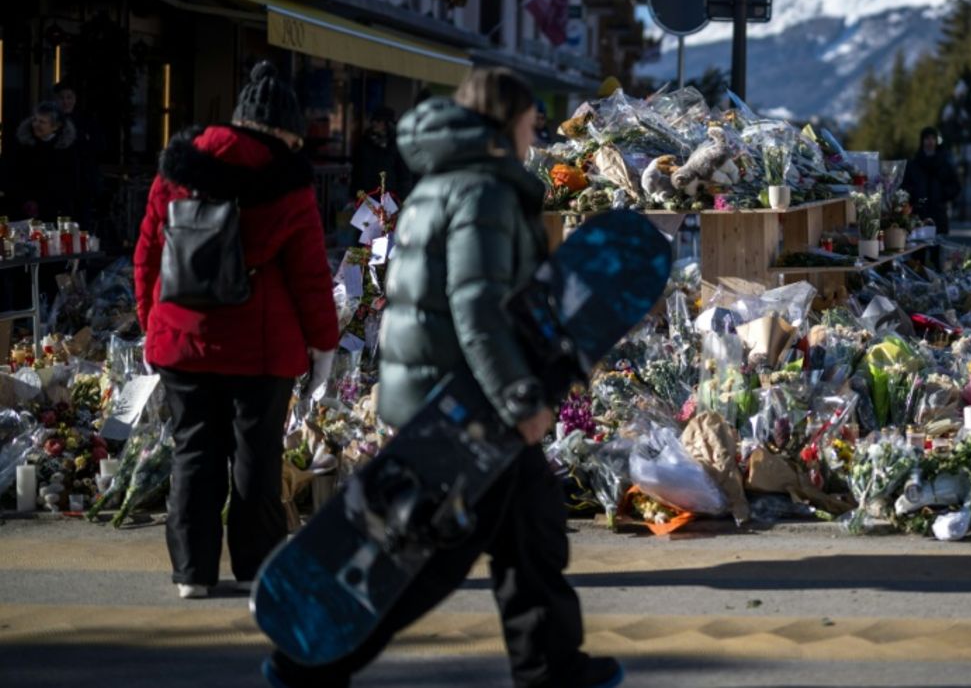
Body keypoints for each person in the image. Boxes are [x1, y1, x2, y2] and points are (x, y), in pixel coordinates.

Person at [263, 68, 622, 688]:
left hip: (453, 393)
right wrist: (518, 396)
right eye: (528, 122)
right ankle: (310, 665)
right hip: (465, 404)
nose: (534, 134)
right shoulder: (482, 191)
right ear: (503, 121)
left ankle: (553, 667)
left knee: (531, 533)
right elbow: (476, 306)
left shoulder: (441, 179)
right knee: (431, 557)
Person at [133, 61, 340, 600]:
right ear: (280, 127)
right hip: (261, 347)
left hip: (181, 335)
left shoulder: (176, 167)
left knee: (193, 451)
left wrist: (150, 323)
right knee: (255, 457)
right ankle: (256, 568)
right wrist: (324, 343)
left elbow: (149, 253)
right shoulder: (289, 181)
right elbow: (310, 275)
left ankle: (192, 574)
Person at [52, 78, 106, 227]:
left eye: (69, 97)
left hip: (83, 182)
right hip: (59, 182)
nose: (65, 102)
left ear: (75, 99)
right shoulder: (50, 121)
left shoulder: (86, 121)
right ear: (56, 100)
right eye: (62, 98)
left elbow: (98, 147)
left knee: (82, 224)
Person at [901, 126, 961, 236]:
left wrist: (942, 194)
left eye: (933, 138)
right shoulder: (914, 165)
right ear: (922, 141)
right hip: (918, 217)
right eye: (927, 138)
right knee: (917, 251)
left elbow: (955, 186)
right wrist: (914, 197)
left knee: (937, 250)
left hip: (938, 216)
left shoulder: (944, 164)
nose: (930, 142)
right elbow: (905, 187)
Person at [351, 107, 414, 202]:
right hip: (366, 198)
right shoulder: (364, 143)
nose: (374, 124)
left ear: (387, 124)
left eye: (379, 121)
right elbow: (357, 172)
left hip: (390, 198)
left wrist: (400, 197)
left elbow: (404, 175)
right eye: (373, 120)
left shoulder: (396, 145)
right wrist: (354, 194)